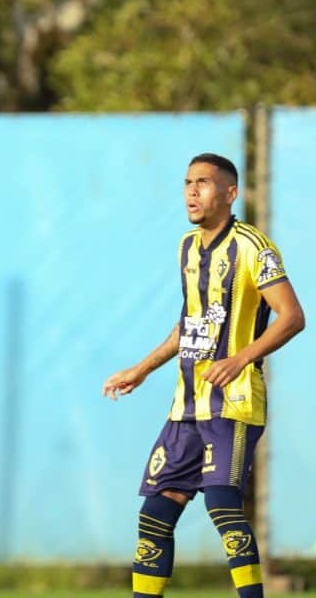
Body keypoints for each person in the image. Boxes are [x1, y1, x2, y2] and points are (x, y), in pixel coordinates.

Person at [103, 154, 305, 598]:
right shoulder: (187, 248)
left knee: (221, 504)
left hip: (233, 402)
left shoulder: (255, 247)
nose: (192, 192)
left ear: (230, 194)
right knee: (155, 512)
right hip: (185, 405)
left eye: (204, 183)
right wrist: (141, 369)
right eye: (188, 182)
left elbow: (292, 317)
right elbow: (189, 323)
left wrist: (240, 359)